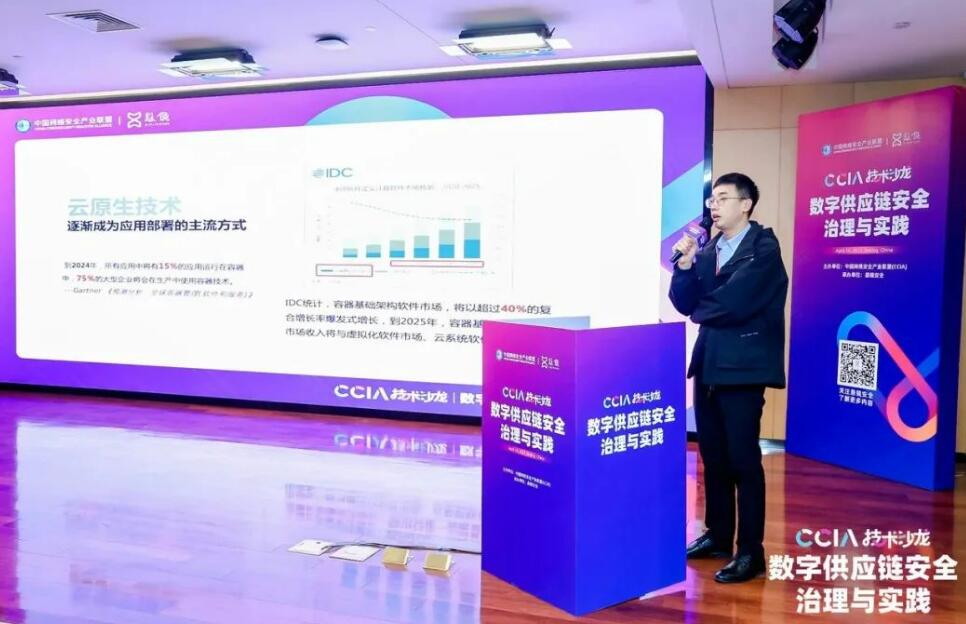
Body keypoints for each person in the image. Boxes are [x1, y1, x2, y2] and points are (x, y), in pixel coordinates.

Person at [669, 172, 788, 583]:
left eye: (722, 198)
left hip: (744, 368)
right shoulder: (707, 250)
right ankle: (718, 536)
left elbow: (735, 303)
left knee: (743, 460)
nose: (714, 207)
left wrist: (699, 309)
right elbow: (683, 302)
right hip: (709, 365)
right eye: (712, 200)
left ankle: (751, 552)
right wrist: (685, 266)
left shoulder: (764, 248)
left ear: (746, 204)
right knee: (714, 457)